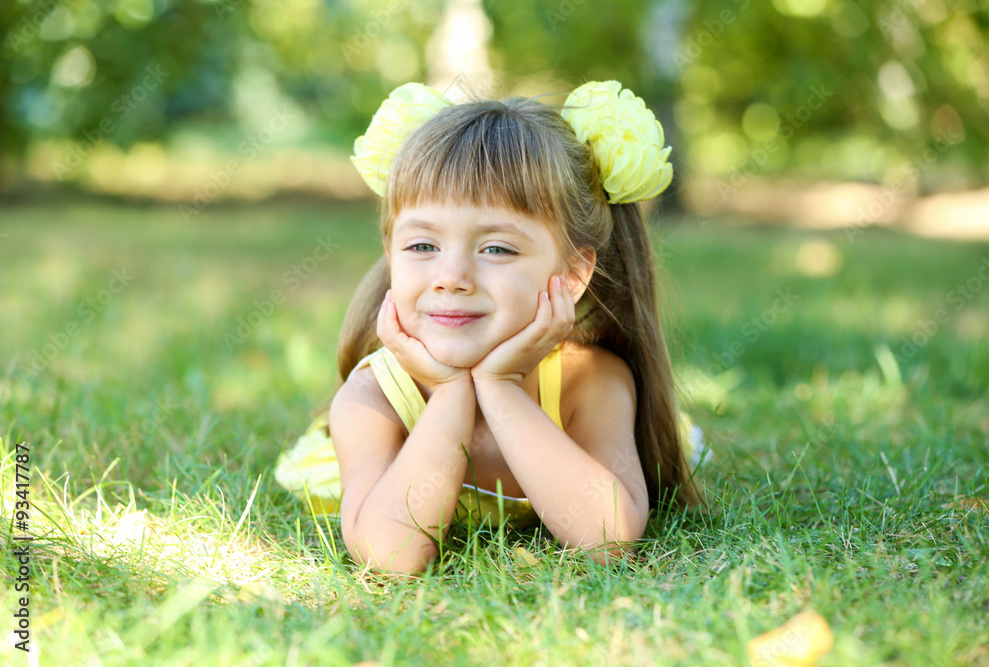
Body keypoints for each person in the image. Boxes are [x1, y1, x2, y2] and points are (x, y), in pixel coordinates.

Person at [275, 80, 706, 574]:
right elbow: (391, 557)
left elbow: (607, 540)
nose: (452, 277)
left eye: (496, 249)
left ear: (571, 275)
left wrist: (500, 387)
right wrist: (450, 393)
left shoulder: (590, 381)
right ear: (390, 253)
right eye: (422, 246)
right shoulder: (372, 397)